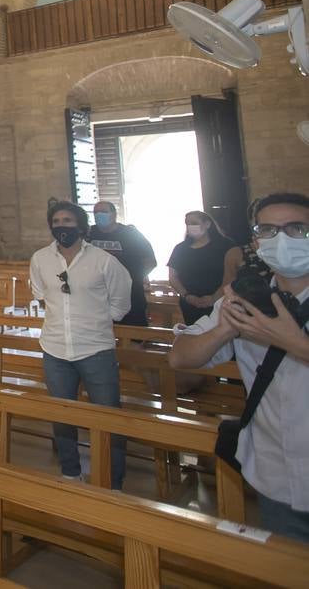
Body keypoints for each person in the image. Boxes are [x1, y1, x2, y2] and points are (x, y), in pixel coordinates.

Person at [169, 192, 309, 543]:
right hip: (276, 473)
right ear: (255, 240)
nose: (280, 240)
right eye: (268, 230)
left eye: (296, 229)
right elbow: (180, 358)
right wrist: (226, 327)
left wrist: (294, 343)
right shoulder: (244, 300)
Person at [29, 201, 131, 486]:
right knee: (62, 416)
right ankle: (70, 472)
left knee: (107, 416)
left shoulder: (103, 260)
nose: (62, 226)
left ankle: (113, 481)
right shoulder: (40, 259)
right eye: (57, 221)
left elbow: (120, 304)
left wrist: (92, 320)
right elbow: (40, 294)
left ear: (81, 226)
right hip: (55, 348)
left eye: (68, 221)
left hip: (95, 348)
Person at [89, 201, 157, 326]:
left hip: (130, 295)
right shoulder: (88, 234)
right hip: (98, 296)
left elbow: (150, 261)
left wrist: (133, 278)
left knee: (134, 335)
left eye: (103, 212)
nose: (99, 215)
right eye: (96, 213)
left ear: (114, 214)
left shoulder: (131, 234)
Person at [167, 211, 240, 325]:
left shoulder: (225, 245)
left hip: (222, 301)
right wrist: (187, 296)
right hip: (190, 304)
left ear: (207, 224)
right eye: (187, 223)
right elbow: (173, 276)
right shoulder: (180, 249)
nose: (190, 226)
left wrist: (214, 298)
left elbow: (232, 275)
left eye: (194, 222)